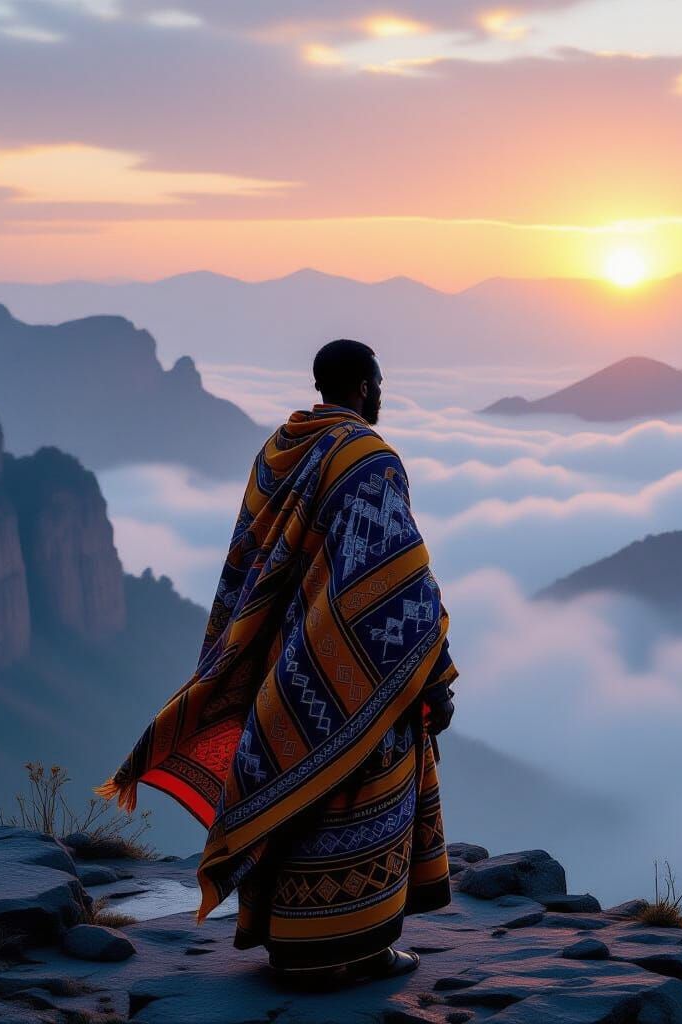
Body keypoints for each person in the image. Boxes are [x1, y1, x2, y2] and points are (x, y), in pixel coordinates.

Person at [98, 338, 457, 986]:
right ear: (363, 386)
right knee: (365, 788)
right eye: (377, 381)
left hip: (283, 665)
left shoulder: (277, 451)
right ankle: (363, 950)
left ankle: (293, 948)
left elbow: (250, 561)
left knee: (295, 790)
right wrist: (435, 669)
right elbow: (398, 576)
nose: (381, 393)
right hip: (353, 662)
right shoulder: (370, 458)